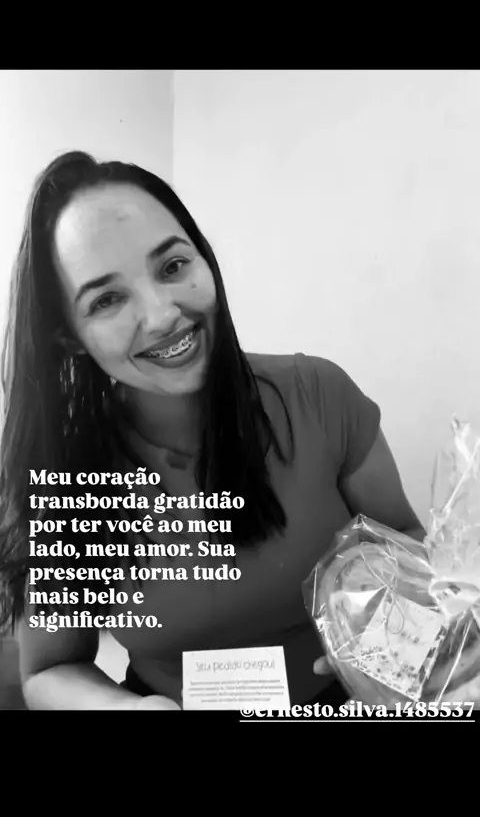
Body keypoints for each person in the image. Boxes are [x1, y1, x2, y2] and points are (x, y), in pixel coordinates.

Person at [0, 150, 427, 711]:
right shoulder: (66, 465)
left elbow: (404, 540)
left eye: (172, 266)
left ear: (204, 258)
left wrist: (393, 637)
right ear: (70, 338)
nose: (162, 315)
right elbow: (49, 669)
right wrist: (127, 710)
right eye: (107, 299)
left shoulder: (319, 396)